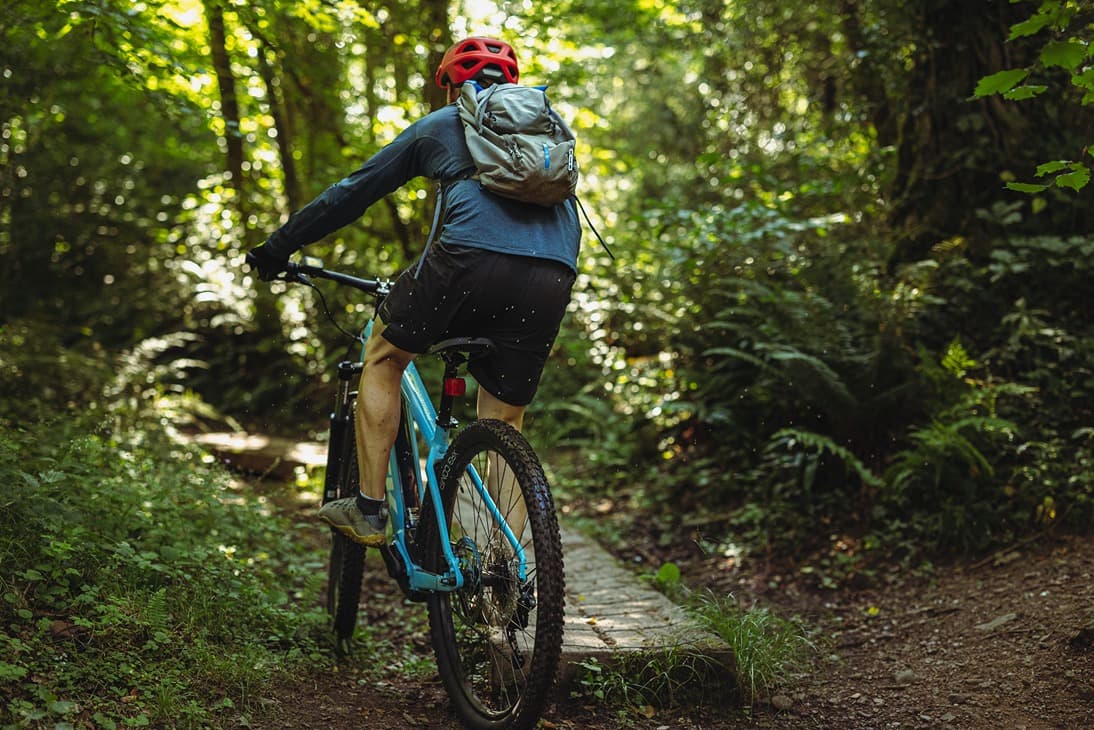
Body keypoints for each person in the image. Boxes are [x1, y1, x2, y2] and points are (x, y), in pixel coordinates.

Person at [246, 37, 581, 546]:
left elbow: (352, 193)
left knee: (384, 354)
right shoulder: (545, 136)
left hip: (466, 259)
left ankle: (370, 510)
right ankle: (506, 566)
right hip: (555, 269)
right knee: (504, 415)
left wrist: (278, 247)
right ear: (512, 85)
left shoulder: (444, 124)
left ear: (449, 84)